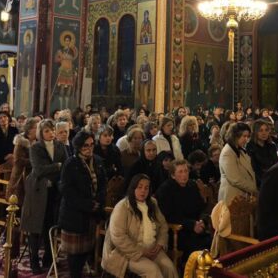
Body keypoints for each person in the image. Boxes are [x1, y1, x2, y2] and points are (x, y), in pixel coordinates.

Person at [101, 174, 178, 278]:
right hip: (127, 253)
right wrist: (141, 251)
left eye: (146, 188)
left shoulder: (152, 203)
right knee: (152, 270)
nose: (143, 191)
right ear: (133, 188)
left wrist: (160, 243)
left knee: (169, 268)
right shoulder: (122, 206)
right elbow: (118, 236)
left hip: (152, 249)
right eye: (140, 187)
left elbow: (163, 225)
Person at [21, 119, 68, 274]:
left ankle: (49, 258)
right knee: (36, 227)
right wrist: (56, 166)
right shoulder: (36, 147)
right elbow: (38, 170)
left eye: (52, 130)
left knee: (51, 225)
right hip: (38, 191)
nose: (51, 133)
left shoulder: (60, 146)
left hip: (55, 190)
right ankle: (34, 261)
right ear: (41, 133)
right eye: (47, 131)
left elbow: (65, 166)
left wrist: (57, 169)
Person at [59, 131, 107, 278]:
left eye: (91, 145)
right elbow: (67, 192)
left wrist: (98, 202)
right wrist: (87, 205)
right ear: (78, 147)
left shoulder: (97, 161)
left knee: (86, 250)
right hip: (75, 215)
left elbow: (103, 185)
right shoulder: (71, 164)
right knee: (75, 256)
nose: (89, 148)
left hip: (91, 214)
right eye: (85, 145)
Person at [156, 160, 211, 262]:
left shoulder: (192, 185)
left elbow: (201, 208)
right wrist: (192, 225)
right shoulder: (165, 190)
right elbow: (168, 216)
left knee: (211, 241)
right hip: (177, 231)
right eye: (180, 172)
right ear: (173, 175)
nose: (184, 174)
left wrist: (202, 221)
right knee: (196, 246)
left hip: (196, 227)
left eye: (186, 171)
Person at [218, 122, 257, 205]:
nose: (246, 139)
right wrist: (254, 189)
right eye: (244, 136)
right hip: (231, 197)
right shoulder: (227, 153)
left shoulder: (239, 150)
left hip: (242, 196)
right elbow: (235, 179)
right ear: (235, 136)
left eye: (248, 136)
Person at [6, 117, 38, 203]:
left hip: (33, 174)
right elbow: (18, 161)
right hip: (20, 176)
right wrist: (35, 161)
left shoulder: (37, 141)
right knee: (22, 201)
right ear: (29, 129)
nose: (38, 130)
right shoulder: (21, 142)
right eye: (36, 127)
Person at [246, 119, 278, 187]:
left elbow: (276, 164)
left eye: (266, 130)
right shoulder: (250, 146)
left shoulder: (272, 145)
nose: (264, 133)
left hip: (274, 179)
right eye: (260, 130)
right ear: (255, 132)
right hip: (259, 182)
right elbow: (254, 169)